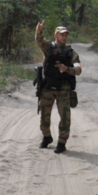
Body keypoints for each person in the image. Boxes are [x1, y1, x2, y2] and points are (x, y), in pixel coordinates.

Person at [35, 21, 82, 153]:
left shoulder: (71, 53)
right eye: (61, 35)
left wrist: (67, 69)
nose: (64, 37)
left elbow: (78, 70)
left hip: (64, 88)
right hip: (48, 86)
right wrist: (38, 31)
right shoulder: (49, 48)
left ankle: (61, 142)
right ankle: (46, 137)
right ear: (56, 35)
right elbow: (40, 41)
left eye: (66, 35)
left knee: (65, 117)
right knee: (44, 114)